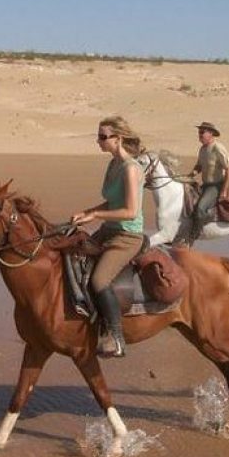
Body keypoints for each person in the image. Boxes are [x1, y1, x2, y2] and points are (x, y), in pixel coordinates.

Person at [71, 116, 145, 358]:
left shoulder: (131, 168)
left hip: (127, 236)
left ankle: (116, 337)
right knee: (74, 255)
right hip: (109, 230)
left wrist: (96, 215)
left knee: (99, 280)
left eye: (103, 137)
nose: (98, 141)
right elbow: (113, 201)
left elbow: (130, 211)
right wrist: (88, 212)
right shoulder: (113, 164)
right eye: (98, 136)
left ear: (118, 138)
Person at [186, 121, 229, 244]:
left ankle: (195, 233)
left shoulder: (218, 148)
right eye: (199, 132)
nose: (200, 135)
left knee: (200, 208)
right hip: (205, 185)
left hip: (216, 186)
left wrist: (223, 190)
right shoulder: (202, 149)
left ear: (210, 133)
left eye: (202, 132)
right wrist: (192, 174)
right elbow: (199, 165)